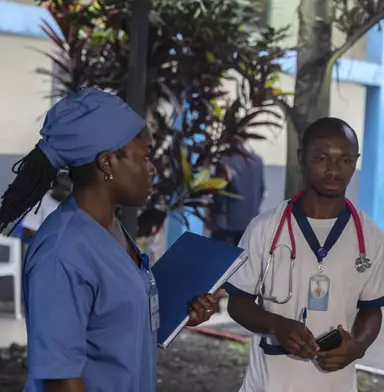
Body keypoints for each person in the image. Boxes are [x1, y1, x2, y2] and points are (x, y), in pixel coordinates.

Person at [0, 88, 220, 392]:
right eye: (145, 157)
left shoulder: (110, 228)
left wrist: (181, 312)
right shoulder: (62, 252)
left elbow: (113, 323)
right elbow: (60, 380)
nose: (153, 169)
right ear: (107, 162)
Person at [223, 117, 384, 392]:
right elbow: (237, 303)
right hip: (270, 384)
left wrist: (359, 345)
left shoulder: (369, 236)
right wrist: (277, 325)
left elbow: (372, 308)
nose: (334, 171)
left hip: (336, 384)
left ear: (356, 162)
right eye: (322, 158)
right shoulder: (264, 229)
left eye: (345, 161)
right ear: (301, 158)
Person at [211, 136, 265, 245]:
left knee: (220, 259)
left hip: (227, 225)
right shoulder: (257, 160)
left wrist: (214, 218)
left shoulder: (224, 160)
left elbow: (219, 193)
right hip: (250, 223)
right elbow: (261, 191)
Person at [20, 171, 72, 243]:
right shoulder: (39, 200)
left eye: (68, 190)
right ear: (54, 186)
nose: (65, 193)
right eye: (63, 189)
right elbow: (29, 230)